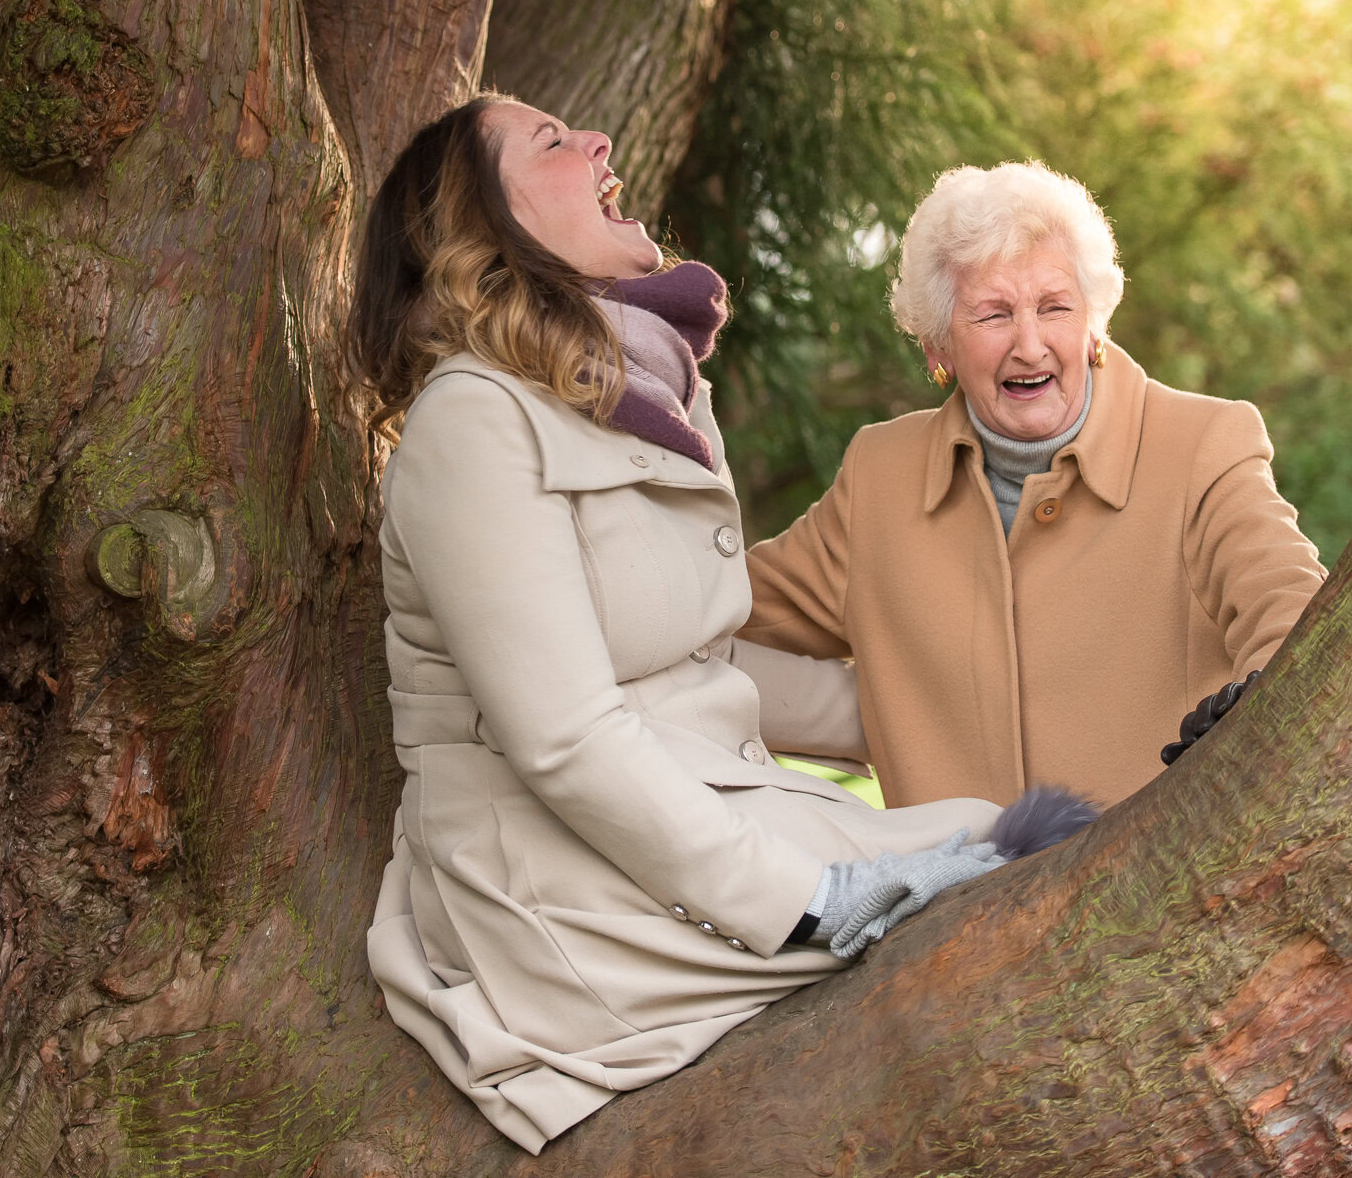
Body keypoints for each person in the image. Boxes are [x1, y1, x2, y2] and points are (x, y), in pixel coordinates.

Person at [347, 99, 1085, 1153]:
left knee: (1015, 833)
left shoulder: (631, 389)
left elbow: (699, 657)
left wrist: (940, 704)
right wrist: (810, 899)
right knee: (1003, 881)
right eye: (550, 144)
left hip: (674, 831)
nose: (597, 142)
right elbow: (564, 735)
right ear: (480, 229)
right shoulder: (473, 417)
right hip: (565, 901)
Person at [739, 161, 1328, 809]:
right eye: (993, 314)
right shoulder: (881, 478)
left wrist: (1242, 744)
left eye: (1054, 307)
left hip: (1166, 894)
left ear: (1093, 325)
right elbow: (718, 615)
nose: (1029, 344)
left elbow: (1294, 612)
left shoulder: (1203, 445)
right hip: (951, 906)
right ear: (939, 348)